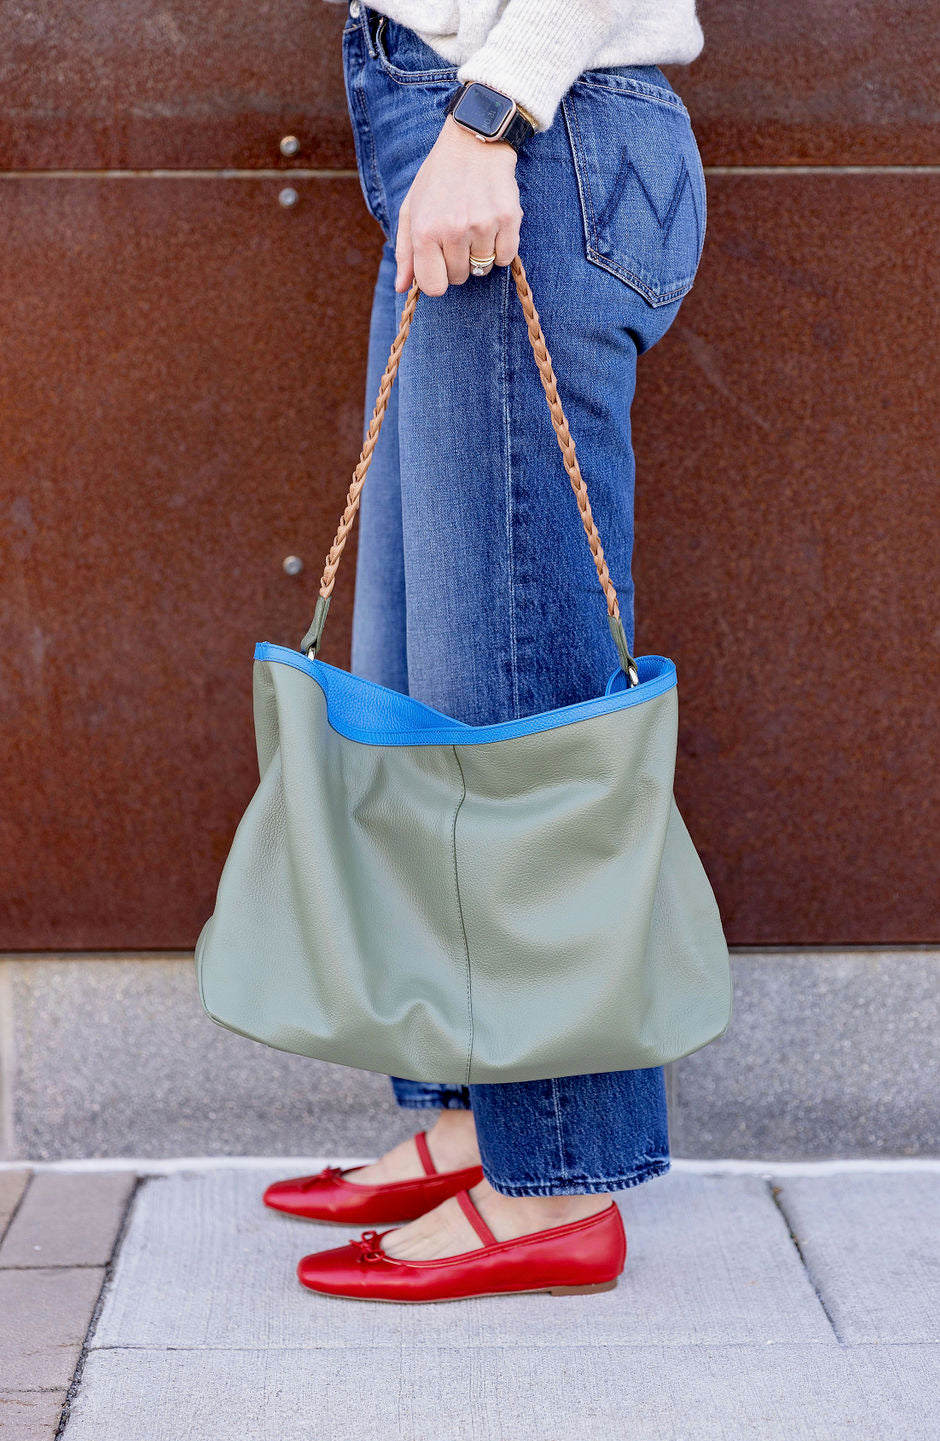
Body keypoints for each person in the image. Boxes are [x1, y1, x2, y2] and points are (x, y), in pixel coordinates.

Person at [264, 0, 708, 1301]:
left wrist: (488, 109)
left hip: (522, 139)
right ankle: (476, 1120)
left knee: (520, 712)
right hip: (477, 146)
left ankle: (557, 1175)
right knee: (439, 685)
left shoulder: (499, 122)